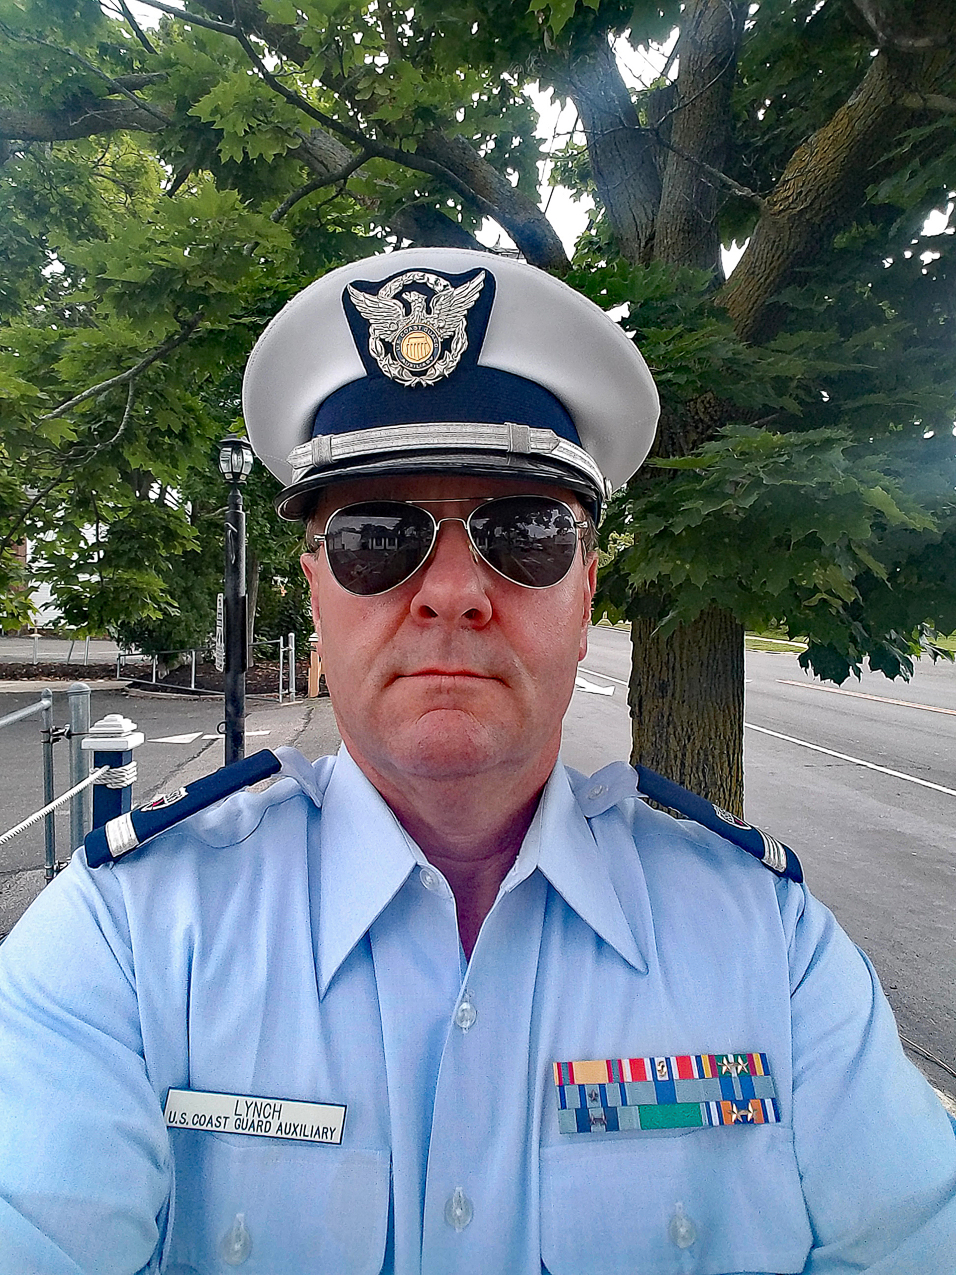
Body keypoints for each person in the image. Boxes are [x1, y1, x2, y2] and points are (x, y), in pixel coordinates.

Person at [0, 247, 953, 1274]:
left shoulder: (768, 947)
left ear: (585, 592)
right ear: (314, 591)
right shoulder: (129, 940)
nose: (451, 590)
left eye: (525, 530)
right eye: (376, 534)